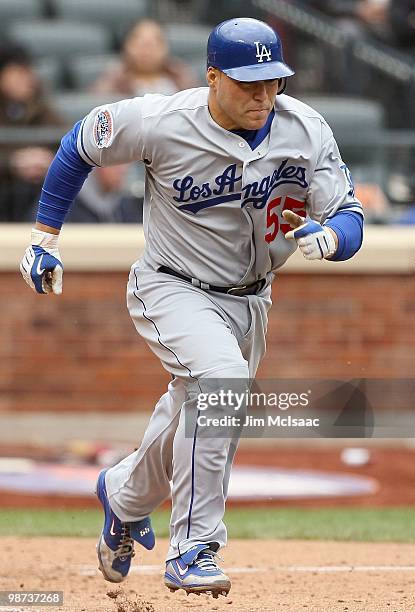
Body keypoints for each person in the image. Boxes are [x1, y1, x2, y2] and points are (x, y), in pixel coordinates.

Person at [19, 18, 364, 598]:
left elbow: (349, 213)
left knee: (195, 410)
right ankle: (194, 547)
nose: (263, 95)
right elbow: (81, 142)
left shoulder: (306, 128)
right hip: (171, 284)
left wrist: (334, 239)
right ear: (212, 77)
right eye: (247, 82)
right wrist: (44, 238)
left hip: (252, 300)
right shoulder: (161, 120)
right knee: (220, 381)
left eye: (272, 81)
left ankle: (123, 496)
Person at [0, 43, 63, 221]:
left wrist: (47, 159)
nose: (28, 79)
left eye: (28, 72)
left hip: (35, 192)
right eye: (19, 73)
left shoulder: (40, 106)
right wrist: (13, 162)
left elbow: (65, 139)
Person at [92, 19, 197, 96]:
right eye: (140, 44)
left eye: (153, 45)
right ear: (126, 46)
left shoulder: (180, 76)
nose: (147, 52)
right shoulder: (114, 79)